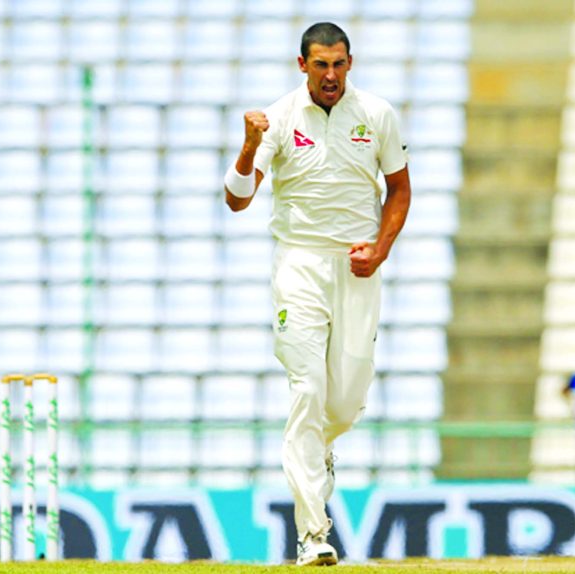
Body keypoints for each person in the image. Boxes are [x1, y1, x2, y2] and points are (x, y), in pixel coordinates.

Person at [223, 22, 411, 566]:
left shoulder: (376, 114)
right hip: (299, 265)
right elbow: (237, 200)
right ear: (301, 65)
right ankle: (313, 534)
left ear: (350, 64)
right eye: (320, 65)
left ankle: (320, 448)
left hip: (357, 265)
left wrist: (381, 247)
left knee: (346, 399)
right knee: (307, 389)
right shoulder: (278, 118)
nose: (331, 75)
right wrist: (249, 146)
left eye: (339, 64)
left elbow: (399, 189)